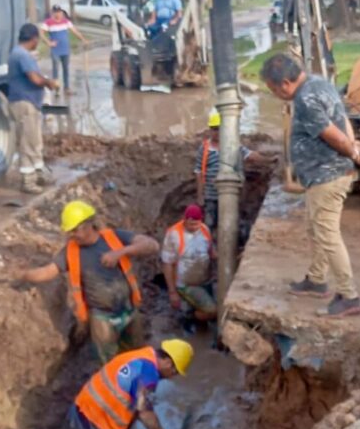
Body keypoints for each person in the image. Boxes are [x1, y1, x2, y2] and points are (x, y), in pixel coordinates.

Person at [260, 53, 360, 318]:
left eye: (273, 89)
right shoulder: (319, 83)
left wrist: (351, 150)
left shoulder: (305, 100)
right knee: (316, 227)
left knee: (328, 234)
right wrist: (353, 143)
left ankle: (348, 295)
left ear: (285, 83)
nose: (275, 95)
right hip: (320, 176)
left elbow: (331, 134)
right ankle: (316, 279)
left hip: (327, 176)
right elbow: (342, 118)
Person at [15, 200, 159, 363]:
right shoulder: (71, 252)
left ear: (88, 225)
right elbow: (48, 272)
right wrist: (23, 274)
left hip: (129, 310)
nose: (72, 235)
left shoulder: (114, 237)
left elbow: (152, 245)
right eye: (70, 231)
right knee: (108, 361)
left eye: (75, 230)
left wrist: (120, 252)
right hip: (101, 317)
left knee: (136, 355)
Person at [69, 339, 196, 429]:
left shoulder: (144, 354)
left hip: (83, 405)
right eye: (174, 372)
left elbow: (137, 401)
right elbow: (145, 413)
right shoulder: (148, 374)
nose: (171, 377)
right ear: (168, 363)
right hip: (96, 424)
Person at [195, 111, 271, 231]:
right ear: (210, 130)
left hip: (230, 195)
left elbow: (249, 155)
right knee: (209, 224)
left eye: (220, 129)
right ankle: (209, 245)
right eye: (214, 129)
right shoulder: (204, 149)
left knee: (229, 224)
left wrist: (269, 160)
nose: (217, 132)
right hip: (210, 195)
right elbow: (199, 172)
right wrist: (200, 195)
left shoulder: (232, 145)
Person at [8, 23, 59, 194]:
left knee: (35, 141)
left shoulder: (19, 53)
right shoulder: (23, 55)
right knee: (28, 143)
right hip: (25, 104)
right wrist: (48, 83)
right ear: (34, 39)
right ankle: (28, 182)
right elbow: (34, 79)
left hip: (29, 103)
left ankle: (39, 174)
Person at [161, 205, 218, 341]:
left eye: (196, 224)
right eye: (191, 224)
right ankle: (189, 316)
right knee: (212, 311)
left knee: (206, 312)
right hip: (186, 284)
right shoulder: (174, 234)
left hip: (205, 280)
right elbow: (167, 264)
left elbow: (212, 253)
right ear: (184, 219)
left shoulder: (204, 230)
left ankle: (197, 324)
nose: (194, 227)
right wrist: (172, 292)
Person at [40, 5, 89, 96]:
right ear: (53, 13)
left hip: (65, 50)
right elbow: (41, 33)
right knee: (55, 69)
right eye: (56, 12)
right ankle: (56, 88)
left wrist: (83, 39)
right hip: (55, 50)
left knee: (66, 69)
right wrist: (48, 43)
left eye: (59, 12)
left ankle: (66, 88)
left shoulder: (66, 22)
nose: (58, 14)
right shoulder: (48, 23)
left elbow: (75, 31)